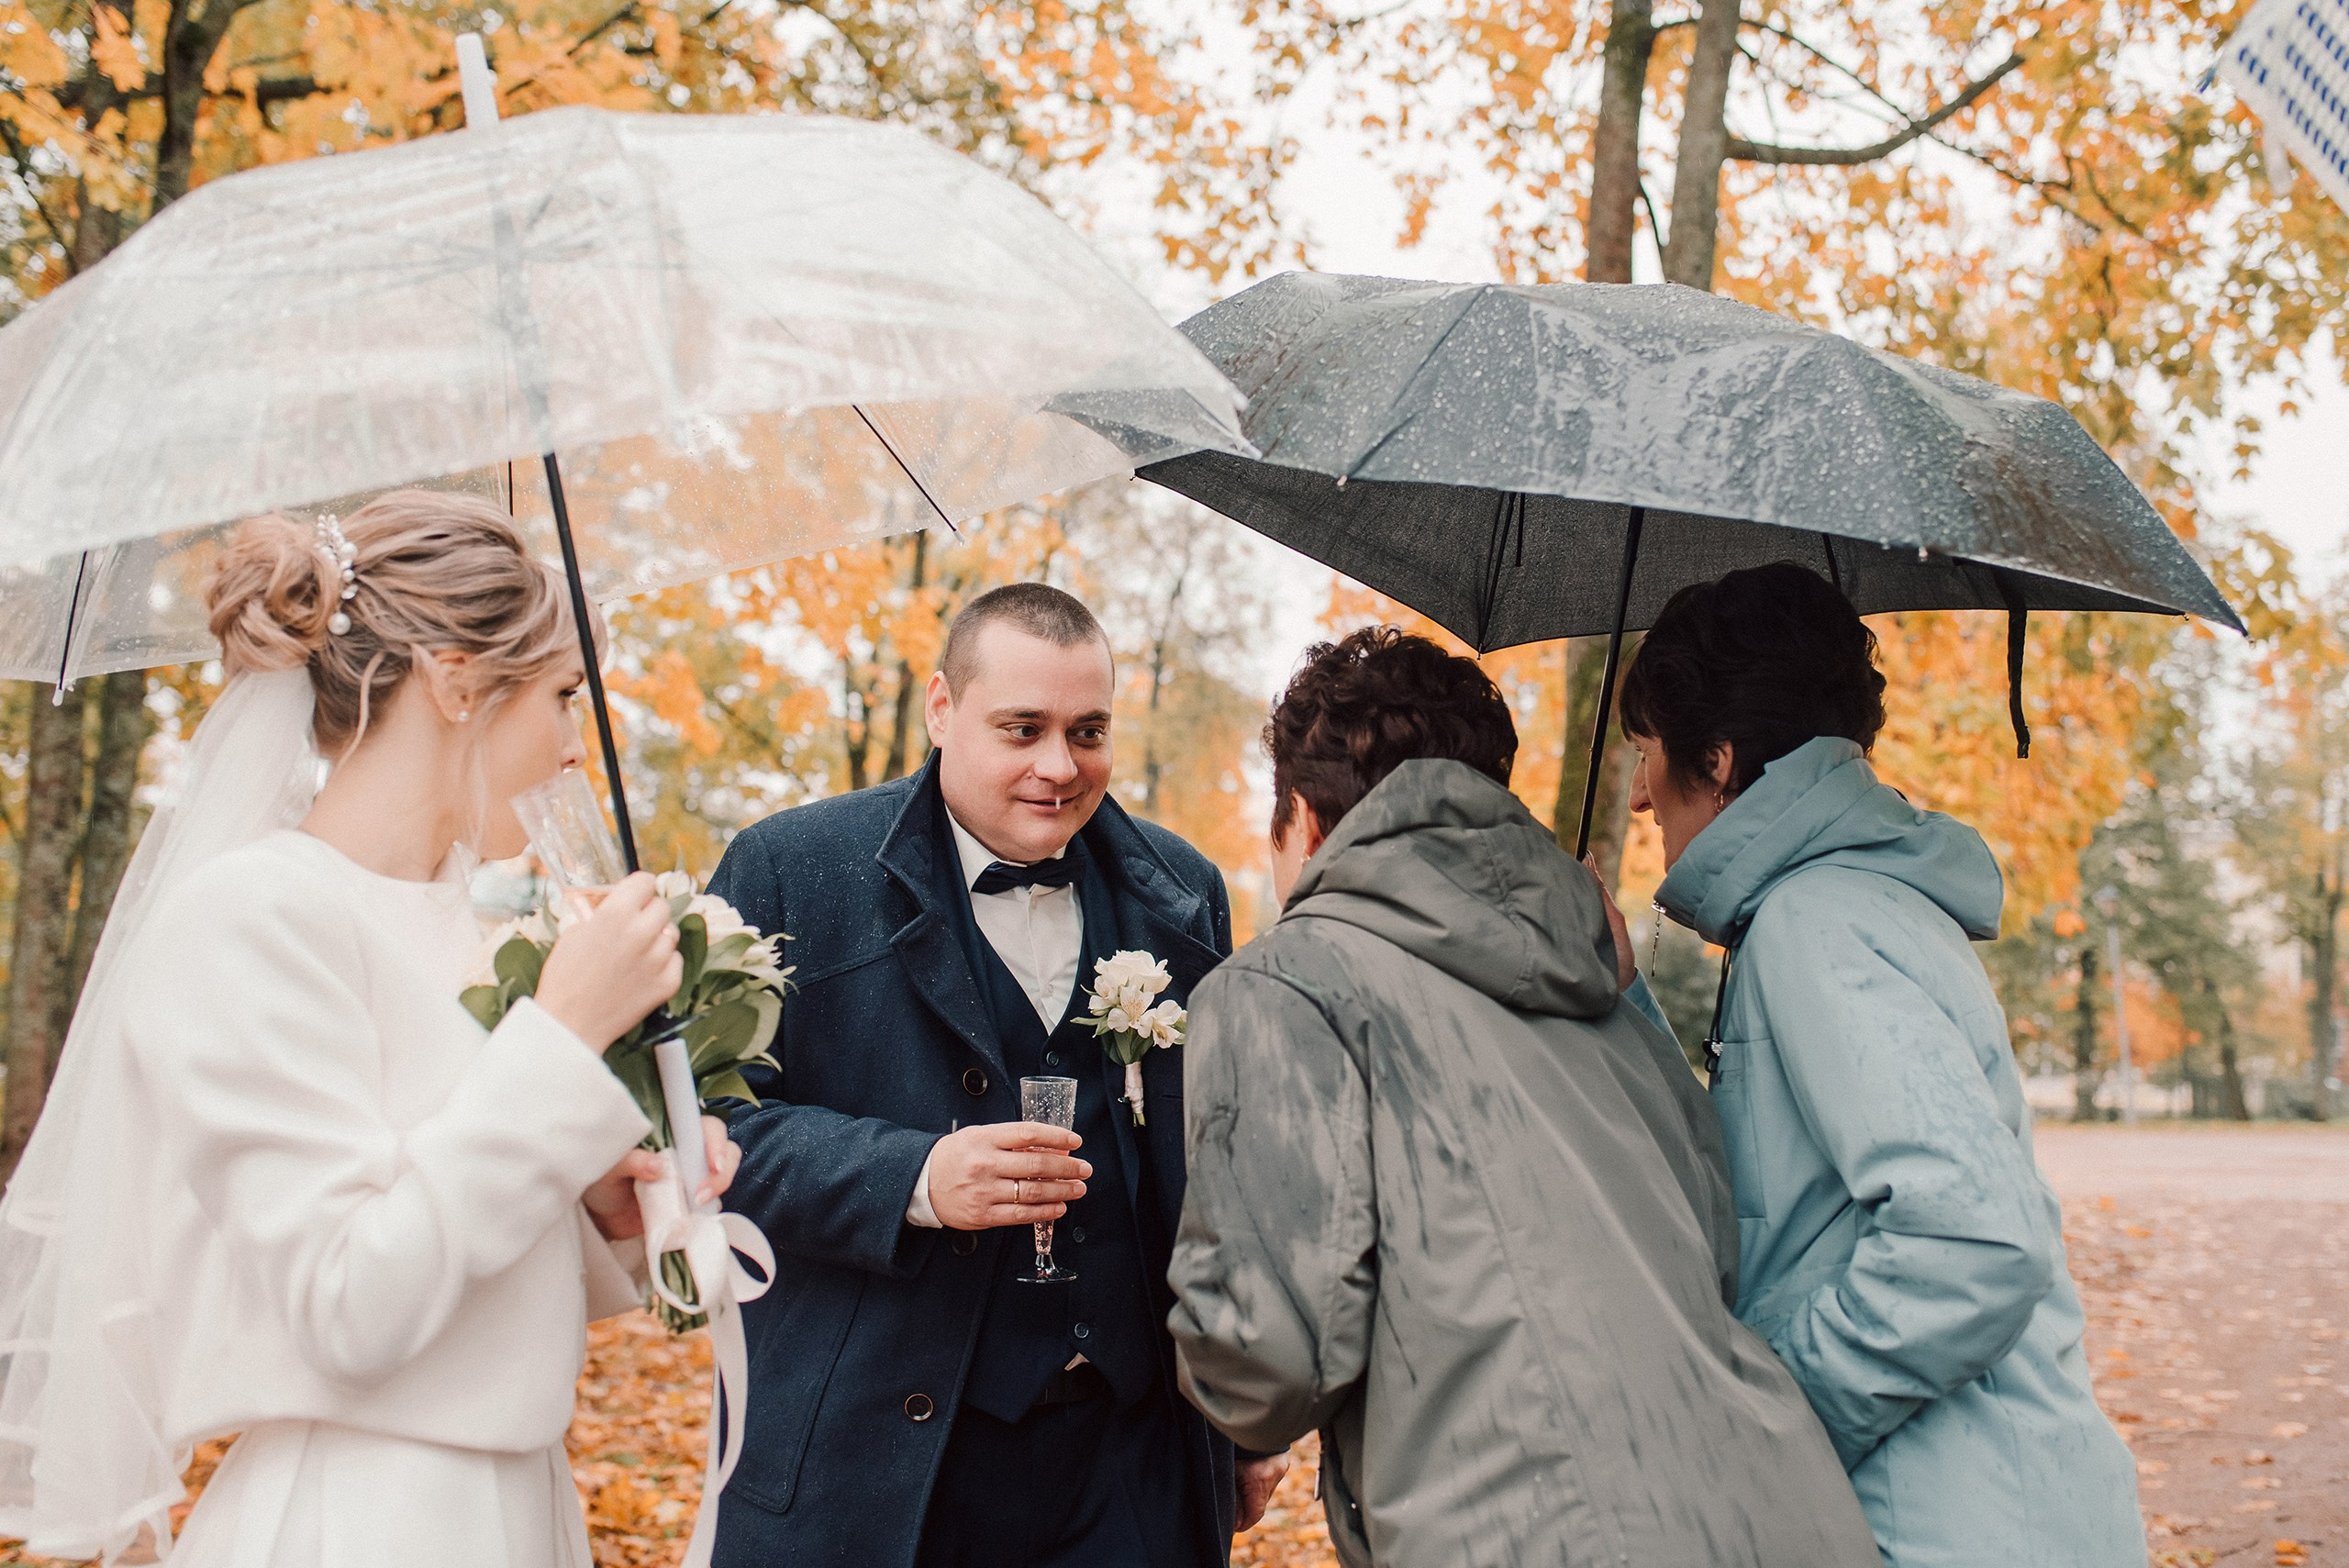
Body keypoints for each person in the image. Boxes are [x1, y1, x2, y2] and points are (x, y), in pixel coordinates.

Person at [0, 490, 740, 1566]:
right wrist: (563, 1037)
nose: (578, 745)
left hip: (523, 1508)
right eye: (564, 695)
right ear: (454, 680)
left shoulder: (480, 916)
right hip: (359, 1519)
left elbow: (459, 1253)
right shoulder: (248, 918)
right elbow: (347, 1302)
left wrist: (600, 1209)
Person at [1164, 627, 1881, 1568]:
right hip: (1779, 1511)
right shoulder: (1598, 978)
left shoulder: (1285, 983)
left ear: (1299, 816)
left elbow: (1267, 1361)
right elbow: (1713, 1238)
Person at [705, 583, 1281, 1568]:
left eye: (1087, 729)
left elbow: (1214, 1177)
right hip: (883, 1461)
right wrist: (915, 1179)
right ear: (941, 708)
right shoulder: (790, 870)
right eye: (1022, 728)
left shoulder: (1183, 892)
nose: (1059, 766)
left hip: (1130, 1459)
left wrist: (1233, 1414)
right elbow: (709, 1133)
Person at [1620, 562, 2145, 1565]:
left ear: (1718, 759)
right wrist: (1625, 1000)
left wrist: (1775, 1416)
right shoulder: (1846, 904)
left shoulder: (1819, 920)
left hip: (1946, 1528)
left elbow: (1975, 1241)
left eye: (1645, 751)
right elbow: (1787, 1203)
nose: (1641, 795)